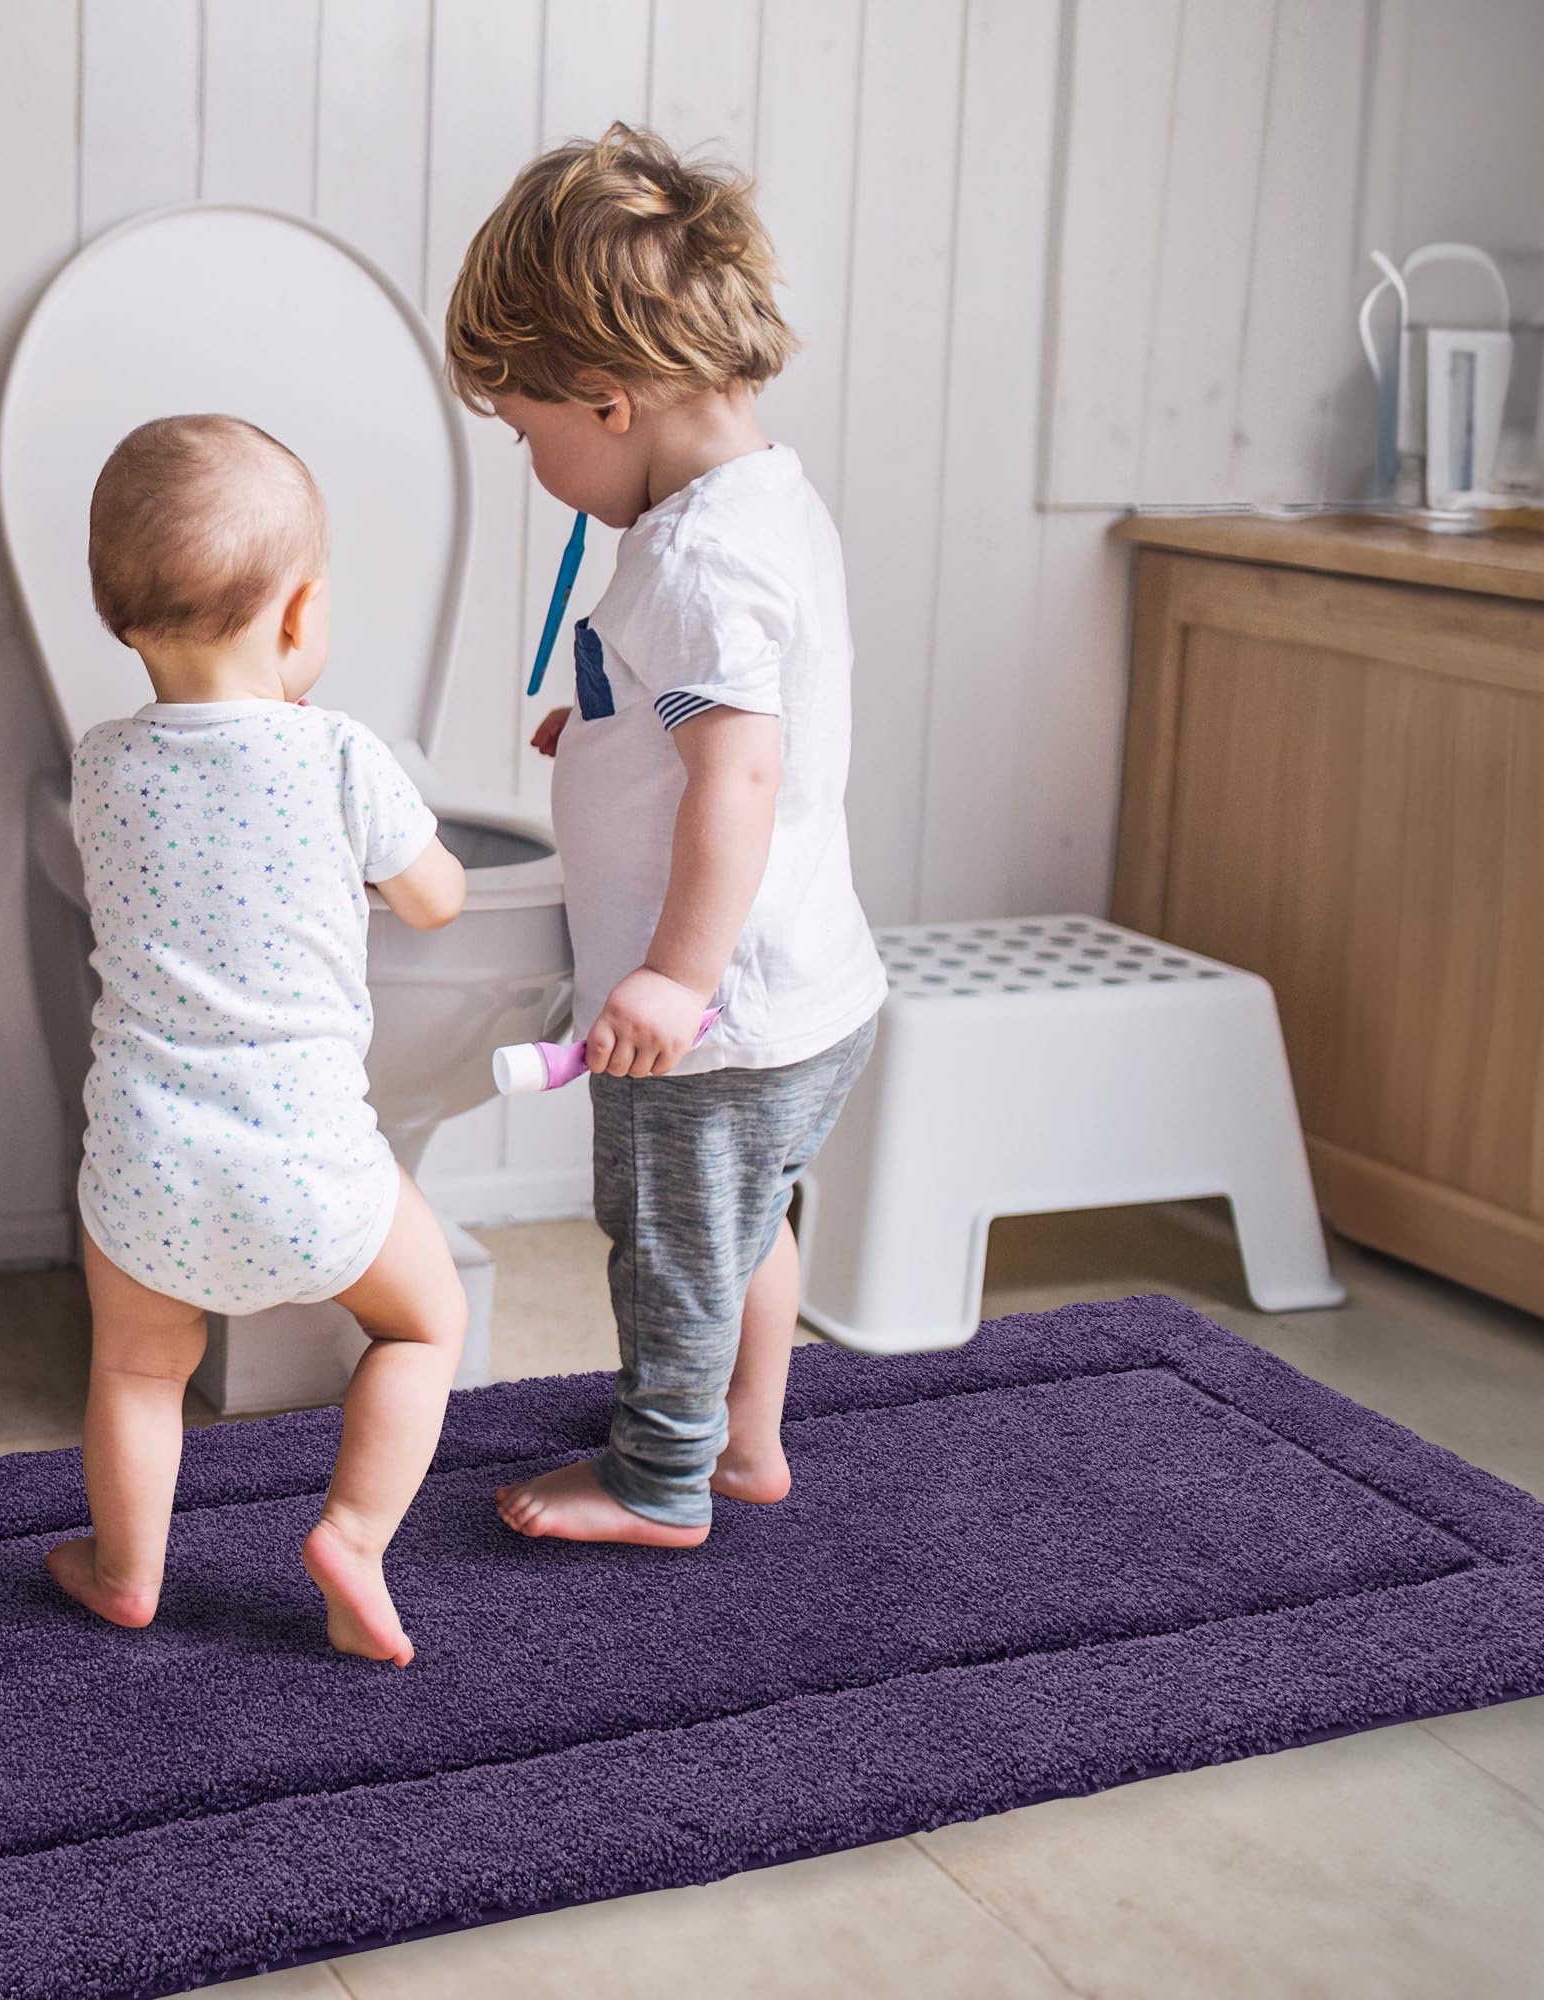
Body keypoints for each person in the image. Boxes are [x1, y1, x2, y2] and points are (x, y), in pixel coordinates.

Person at [445, 124, 888, 1547]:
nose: (534, 463)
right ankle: (745, 1442)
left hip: (716, 1010)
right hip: (805, 988)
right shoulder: (755, 502)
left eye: (528, 434)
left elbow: (739, 778)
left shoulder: (695, 560)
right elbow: (736, 722)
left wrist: (673, 979)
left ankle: (661, 1479)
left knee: (676, 1252)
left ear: (609, 400)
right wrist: (608, 724)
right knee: (742, 1227)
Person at [46, 413, 467, 1664]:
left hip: (146, 1168)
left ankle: (126, 1571)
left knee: (134, 1371)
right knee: (420, 1322)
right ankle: (349, 1531)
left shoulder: (102, 764)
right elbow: (439, 896)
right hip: (309, 1162)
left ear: (121, 618)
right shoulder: (339, 753)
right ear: (298, 618)